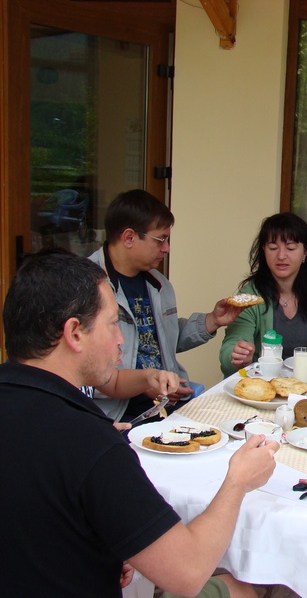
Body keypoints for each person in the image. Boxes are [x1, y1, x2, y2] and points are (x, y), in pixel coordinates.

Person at [0, 250, 279, 597]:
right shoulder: (91, 445)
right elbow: (188, 571)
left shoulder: (76, 437)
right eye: (113, 324)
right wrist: (238, 482)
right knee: (240, 589)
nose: (120, 339)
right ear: (74, 333)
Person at [89, 189, 247, 423]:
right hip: (115, 412)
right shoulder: (86, 285)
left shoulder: (159, 284)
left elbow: (164, 338)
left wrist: (212, 321)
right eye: (161, 240)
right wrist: (146, 384)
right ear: (129, 237)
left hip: (166, 402)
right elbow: (84, 371)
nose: (167, 248)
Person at [220, 212, 307, 376]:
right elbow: (229, 353)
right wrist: (237, 356)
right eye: (273, 248)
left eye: (290, 248)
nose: (281, 256)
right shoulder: (251, 294)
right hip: (265, 383)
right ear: (264, 250)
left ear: (305, 252)